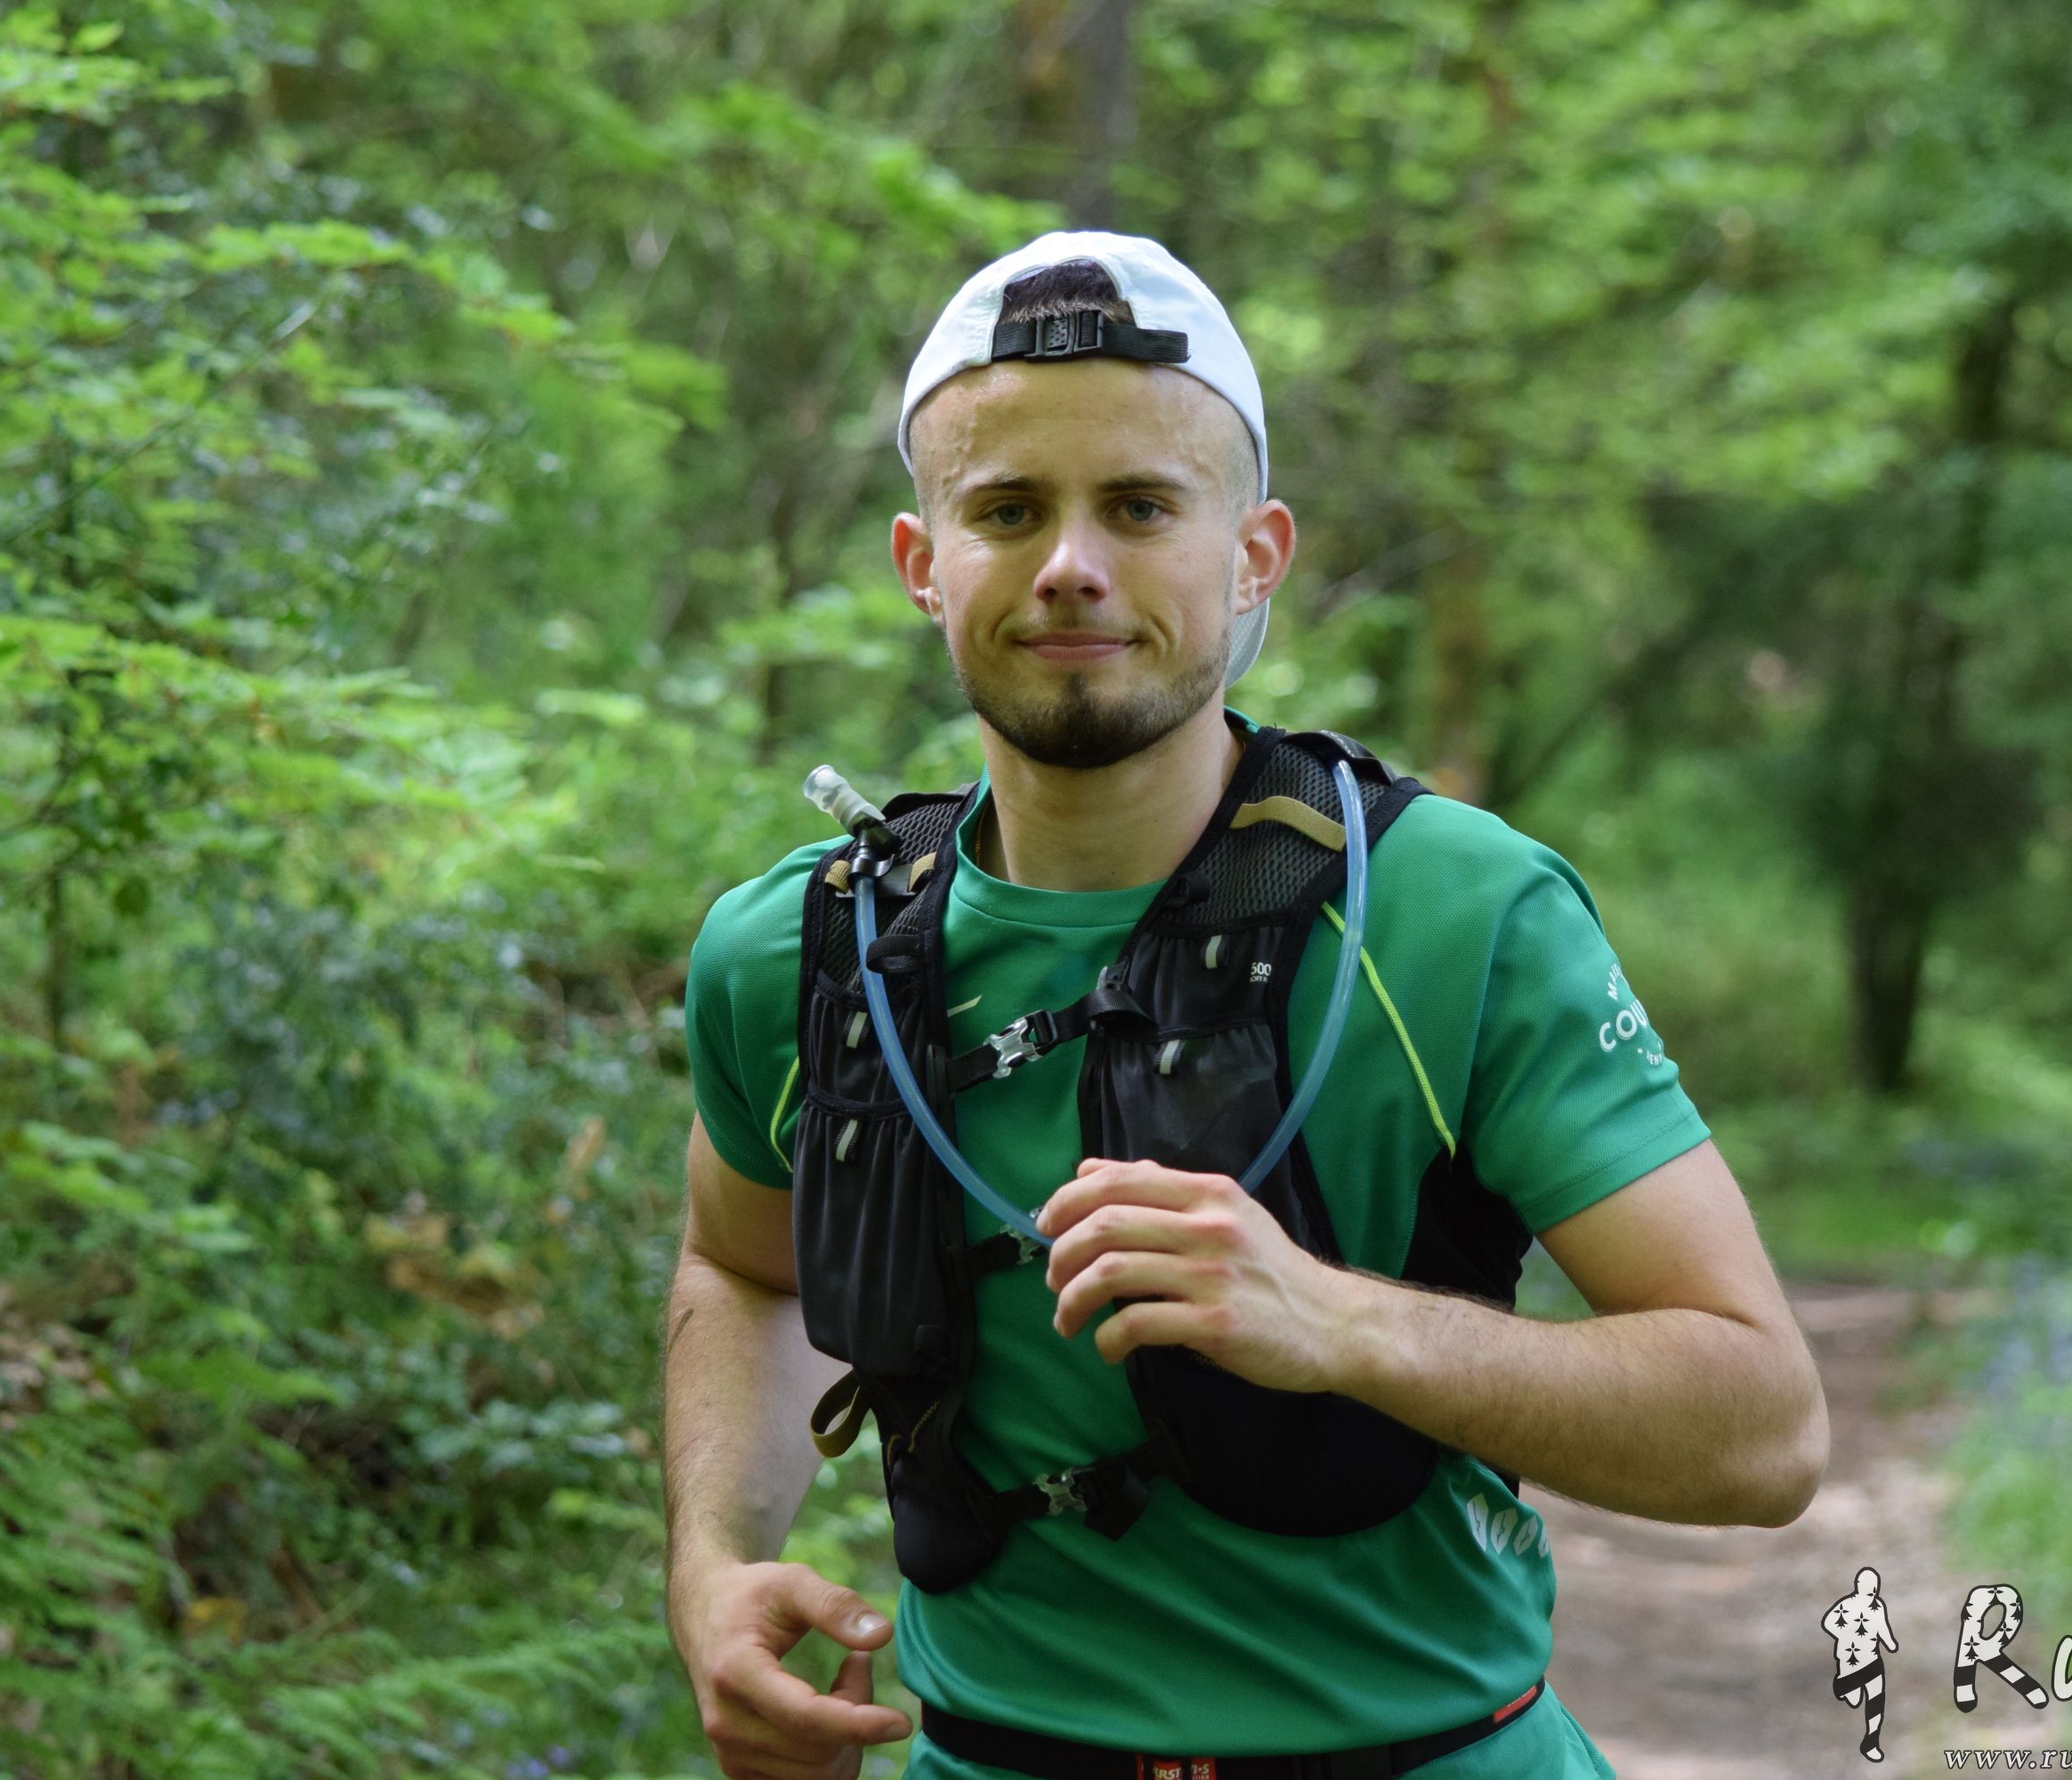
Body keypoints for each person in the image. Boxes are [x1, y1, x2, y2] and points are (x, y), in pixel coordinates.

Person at [662, 229, 1830, 1780]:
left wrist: (1340, 1323)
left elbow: (1762, 1430)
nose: (1070, 564)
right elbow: (743, 1270)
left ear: (1255, 554)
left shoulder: (1456, 912)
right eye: (1007, 510)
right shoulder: (800, 953)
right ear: (922, 563)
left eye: (1141, 506)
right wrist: (715, 1566)